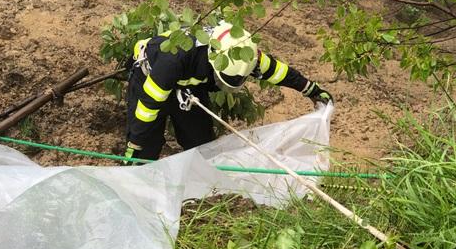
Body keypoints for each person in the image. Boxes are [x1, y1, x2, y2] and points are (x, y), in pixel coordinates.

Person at [124, 21, 333, 161]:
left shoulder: (243, 53)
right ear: (213, 59)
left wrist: (311, 90)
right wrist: (136, 141)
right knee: (145, 148)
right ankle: (134, 173)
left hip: (189, 88)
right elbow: (147, 108)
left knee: (200, 143)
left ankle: (199, 186)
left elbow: (277, 72)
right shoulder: (174, 60)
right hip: (150, 77)